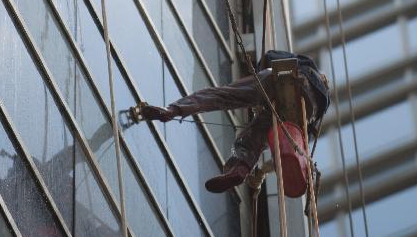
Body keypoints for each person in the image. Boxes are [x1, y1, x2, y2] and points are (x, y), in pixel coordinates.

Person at [130, 49, 329, 194]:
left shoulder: (308, 64)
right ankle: (240, 169)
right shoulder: (322, 106)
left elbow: (272, 56)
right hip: (297, 115)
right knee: (254, 139)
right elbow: (304, 135)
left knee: (223, 96)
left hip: (288, 82)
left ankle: (172, 110)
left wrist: (260, 70)